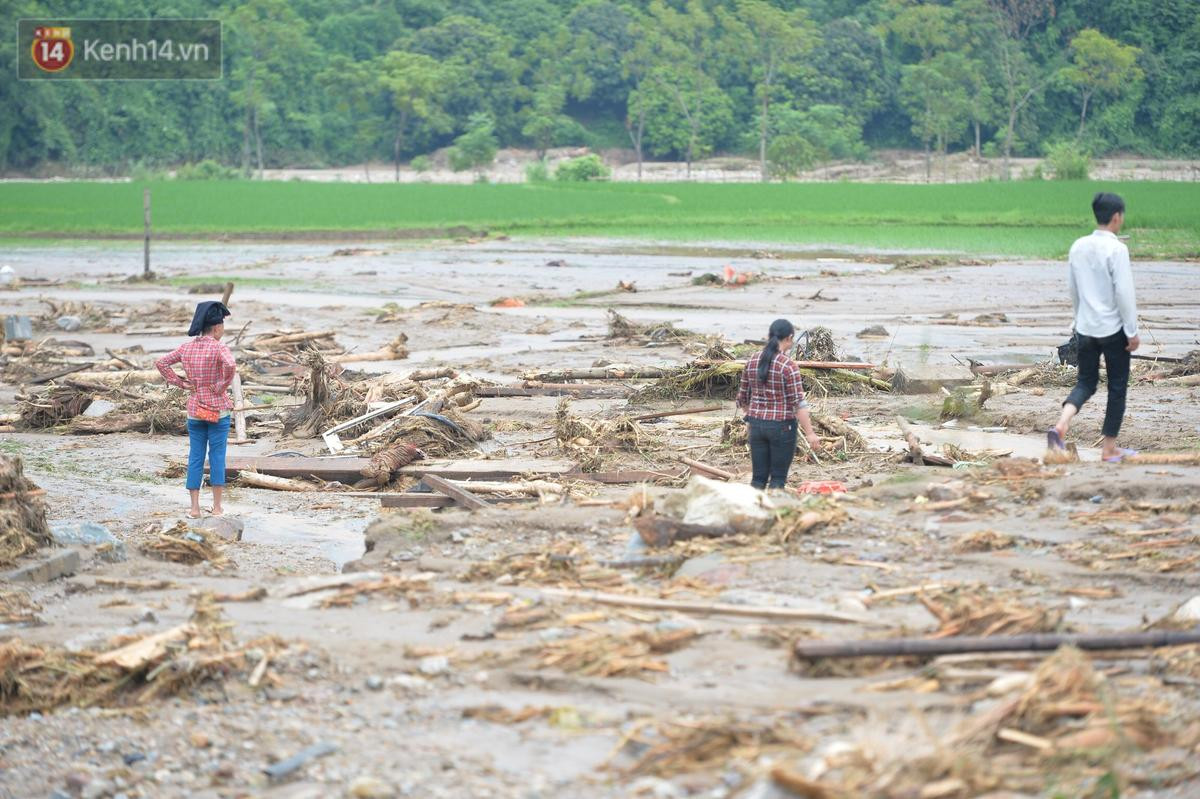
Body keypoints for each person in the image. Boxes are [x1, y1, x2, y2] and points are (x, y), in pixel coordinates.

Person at [1048, 192, 1140, 463]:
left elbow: (1073, 289)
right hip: (1113, 331)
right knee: (1117, 386)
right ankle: (1109, 448)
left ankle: (1061, 425)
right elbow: (1124, 293)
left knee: (1086, 382)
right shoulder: (1117, 249)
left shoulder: (1078, 246)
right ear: (1116, 217)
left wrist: (1078, 321)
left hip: (1086, 328)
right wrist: (1132, 331)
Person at [156, 301, 235, 517]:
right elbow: (231, 365)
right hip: (218, 410)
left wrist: (181, 383)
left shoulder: (186, 347)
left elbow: (161, 363)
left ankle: (194, 508)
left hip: (195, 410)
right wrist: (221, 386)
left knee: (195, 456)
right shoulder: (219, 347)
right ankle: (217, 507)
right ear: (217, 327)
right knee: (217, 456)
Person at [735, 318, 823, 491]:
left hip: (756, 426)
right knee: (777, 481)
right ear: (789, 338)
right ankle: (774, 513)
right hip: (782, 428)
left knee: (758, 480)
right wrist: (810, 433)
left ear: (769, 336)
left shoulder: (752, 361)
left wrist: (753, 416)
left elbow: (742, 399)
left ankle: (754, 513)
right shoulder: (788, 366)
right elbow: (798, 404)